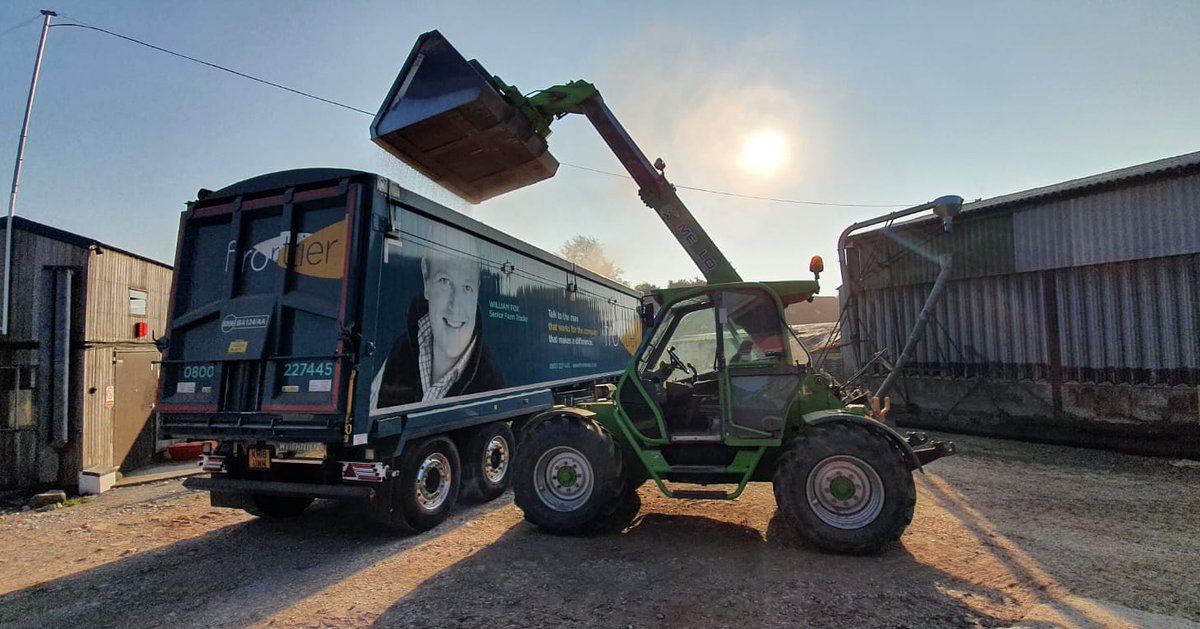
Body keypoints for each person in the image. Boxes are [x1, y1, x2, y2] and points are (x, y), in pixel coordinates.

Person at [371, 245, 502, 410]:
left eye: (467, 287)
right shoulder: (400, 351)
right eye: (445, 281)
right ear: (426, 281)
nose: (455, 306)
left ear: (477, 291)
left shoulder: (490, 382)